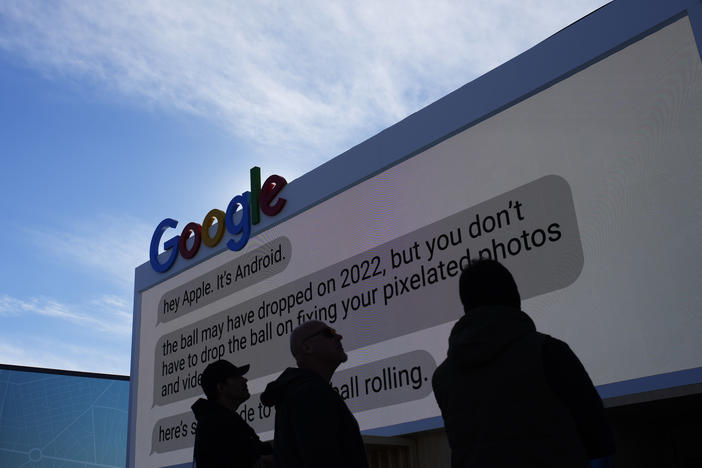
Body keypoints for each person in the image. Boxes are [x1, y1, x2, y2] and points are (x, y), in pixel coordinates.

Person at [432, 258, 615, 468]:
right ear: (514, 296)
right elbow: (598, 439)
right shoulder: (549, 352)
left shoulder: (442, 379)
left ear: (466, 306)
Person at [260, 320, 369, 468]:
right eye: (329, 333)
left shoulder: (301, 393)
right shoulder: (310, 395)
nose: (339, 337)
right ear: (307, 347)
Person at [191, 359, 273, 468]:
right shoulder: (216, 425)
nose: (245, 379)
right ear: (221, 387)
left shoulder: (219, 421)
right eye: (236, 377)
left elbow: (257, 450)